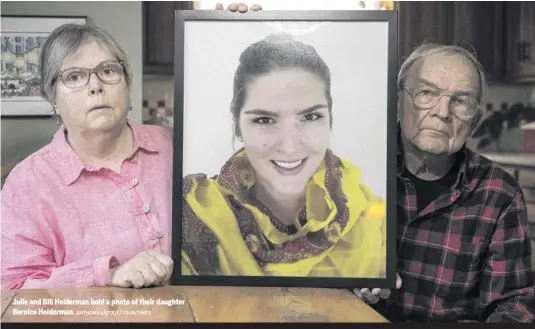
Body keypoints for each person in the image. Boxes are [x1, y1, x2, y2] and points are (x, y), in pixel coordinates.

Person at [0, 3, 260, 290]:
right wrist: (108, 275)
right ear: (53, 99)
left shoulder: (178, 145)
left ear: (127, 84)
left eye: (108, 71)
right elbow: (14, 287)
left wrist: (239, 34)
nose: (96, 85)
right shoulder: (26, 184)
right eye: (74, 77)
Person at [180, 33, 387, 278]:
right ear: (237, 126)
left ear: (330, 119)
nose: (289, 146)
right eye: (265, 120)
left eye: (310, 117)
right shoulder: (193, 213)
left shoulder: (373, 220)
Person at [354, 43, 535, 322]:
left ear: (474, 121)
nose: (443, 112)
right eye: (426, 92)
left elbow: (514, 306)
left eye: (461, 100)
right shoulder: (353, 170)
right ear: (398, 101)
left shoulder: (499, 193)